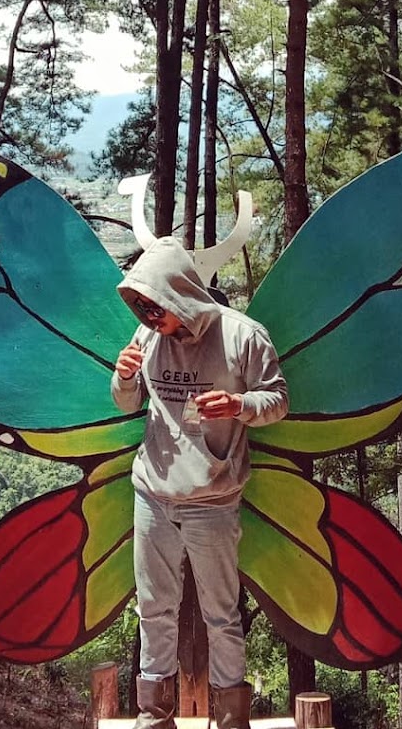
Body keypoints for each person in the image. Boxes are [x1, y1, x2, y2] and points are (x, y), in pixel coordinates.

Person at [111, 236, 289, 729]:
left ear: (179, 292)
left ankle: (231, 718)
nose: (149, 318)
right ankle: (154, 715)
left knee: (221, 614)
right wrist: (124, 378)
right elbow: (127, 403)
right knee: (154, 610)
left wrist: (239, 406)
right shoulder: (147, 337)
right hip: (152, 495)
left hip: (213, 500)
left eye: (155, 307)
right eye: (141, 308)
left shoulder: (243, 336)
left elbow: (278, 400)